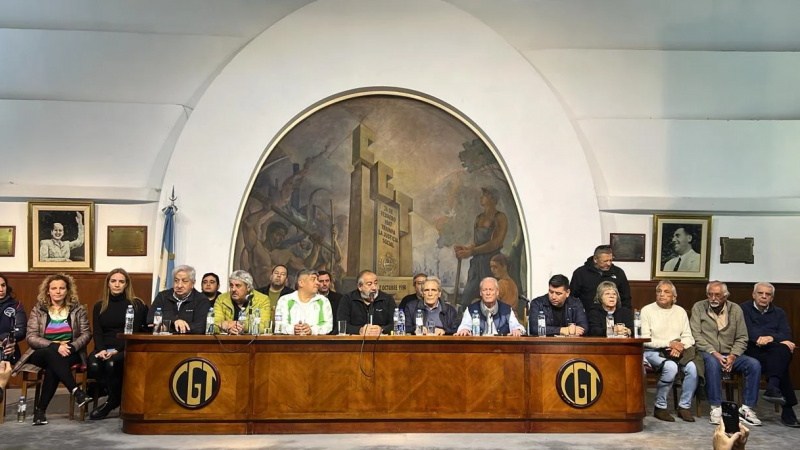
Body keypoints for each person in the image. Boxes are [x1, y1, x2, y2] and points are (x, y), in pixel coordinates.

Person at [12, 273, 92, 426]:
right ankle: (76, 391)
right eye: (54, 288)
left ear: (67, 290)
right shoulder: (39, 309)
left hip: (70, 351)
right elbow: (31, 337)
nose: (58, 291)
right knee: (52, 354)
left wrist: (71, 346)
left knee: (53, 367)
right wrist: (55, 346)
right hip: (42, 352)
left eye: (62, 288)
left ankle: (40, 411)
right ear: (47, 291)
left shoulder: (77, 309)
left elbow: (86, 333)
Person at [691, 281, 762, 426]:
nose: (713, 298)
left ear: (726, 296)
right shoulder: (699, 307)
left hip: (731, 353)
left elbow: (742, 337)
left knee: (754, 364)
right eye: (710, 294)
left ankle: (746, 409)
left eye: (717, 295)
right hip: (707, 352)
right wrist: (715, 353)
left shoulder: (735, 309)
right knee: (712, 363)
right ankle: (716, 407)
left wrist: (732, 356)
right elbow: (696, 335)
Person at [87, 268, 148, 420]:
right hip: (103, 347)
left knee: (112, 364)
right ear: (108, 284)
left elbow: (133, 332)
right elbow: (98, 332)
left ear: (126, 285)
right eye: (113, 281)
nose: (117, 285)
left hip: (125, 347)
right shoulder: (99, 305)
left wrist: (117, 350)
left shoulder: (137, 305)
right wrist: (100, 349)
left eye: (121, 282)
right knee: (93, 365)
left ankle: (111, 402)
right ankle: (117, 396)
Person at [740, 282, 799, 427]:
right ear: (754, 295)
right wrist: (776, 338)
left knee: (782, 351)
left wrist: (770, 338)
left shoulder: (779, 312)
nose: (764, 297)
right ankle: (786, 408)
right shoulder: (743, 309)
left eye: (768, 294)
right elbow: (748, 331)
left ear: (772, 298)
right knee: (782, 360)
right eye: (760, 293)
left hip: (773, 352)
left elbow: (786, 335)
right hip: (752, 350)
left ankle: (773, 387)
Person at [641, 280, 697, 422]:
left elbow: (688, 337)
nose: (661, 294)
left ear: (674, 297)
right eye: (659, 291)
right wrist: (669, 344)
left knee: (693, 368)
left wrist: (679, 346)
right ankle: (660, 407)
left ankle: (684, 407)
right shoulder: (647, 310)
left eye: (666, 292)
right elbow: (646, 339)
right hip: (653, 351)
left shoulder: (680, 311)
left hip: (677, 350)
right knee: (671, 367)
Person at [454, 186, 508, 306]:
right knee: (468, 298)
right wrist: (465, 249)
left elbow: (495, 243)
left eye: (484, 195)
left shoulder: (500, 217)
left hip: (490, 263)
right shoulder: (479, 218)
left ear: (491, 198)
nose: (481, 197)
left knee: (490, 299)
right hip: (476, 264)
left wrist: (471, 252)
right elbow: (474, 244)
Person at [147, 265, 210, 334]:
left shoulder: (201, 300)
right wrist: (174, 320)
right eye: (176, 281)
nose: (179, 285)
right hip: (163, 341)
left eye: (184, 281)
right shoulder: (162, 296)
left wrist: (167, 326)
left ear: (193, 283)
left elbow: (199, 328)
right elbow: (150, 319)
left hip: (189, 342)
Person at [570, 245, 632, 312]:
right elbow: (573, 297)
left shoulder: (618, 272)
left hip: (613, 315)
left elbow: (626, 298)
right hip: (588, 315)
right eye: (605, 261)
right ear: (595, 259)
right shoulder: (580, 273)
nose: (608, 264)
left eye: (610, 260)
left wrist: (626, 315)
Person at [456, 277, 525, 337]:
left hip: (501, 348)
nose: (488, 293)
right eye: (485, 290)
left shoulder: (506, 309)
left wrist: (517, 330)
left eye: (491, 290)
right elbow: (464, 326)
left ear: (497, 292)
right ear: (480, 292)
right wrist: (464, 330)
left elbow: (517, 327)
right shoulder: (471, 309)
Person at [274, 269, 332, 335]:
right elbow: (279, 326)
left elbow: (328, 326)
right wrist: (293, 330)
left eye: (317, 280)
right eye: (313, 279)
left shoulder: (323, 301)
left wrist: (312, 330)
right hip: (289, 343)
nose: (318, 283)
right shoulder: (284, 300)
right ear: (301, 283)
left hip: (316, 344)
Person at [337, 270, 395, 336]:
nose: (374, 287)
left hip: (382, 342)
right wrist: (359, 330)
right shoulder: (348, 299)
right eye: (369, 284)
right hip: (355, 343)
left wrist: (382, 329)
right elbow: (341, 325)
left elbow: (395, 324)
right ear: (359, 287)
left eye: (375, 283)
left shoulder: (387, 299)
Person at [214, 270, 271, 335]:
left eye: (238, 286)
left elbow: (264, 326)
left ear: (248, 287)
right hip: (226, 341)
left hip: (251, 342)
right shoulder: (221, 299)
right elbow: (213, 324)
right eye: (231, 285)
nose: (233, 289)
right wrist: (225, 325)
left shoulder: (262, 300)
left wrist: (239, 326)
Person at [0, 273, 27, 363]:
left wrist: (3, 339)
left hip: (8, 348)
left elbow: (20, 331)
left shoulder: (16, 305)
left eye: (3, 285)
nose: (1, 289)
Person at [317, 270, 342, 335]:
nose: (325, 284)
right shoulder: (311, 298)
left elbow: (340, 319)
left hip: (334, 335)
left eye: (327, 281)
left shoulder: (339, 298)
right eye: (321, 281)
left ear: (330, 282)